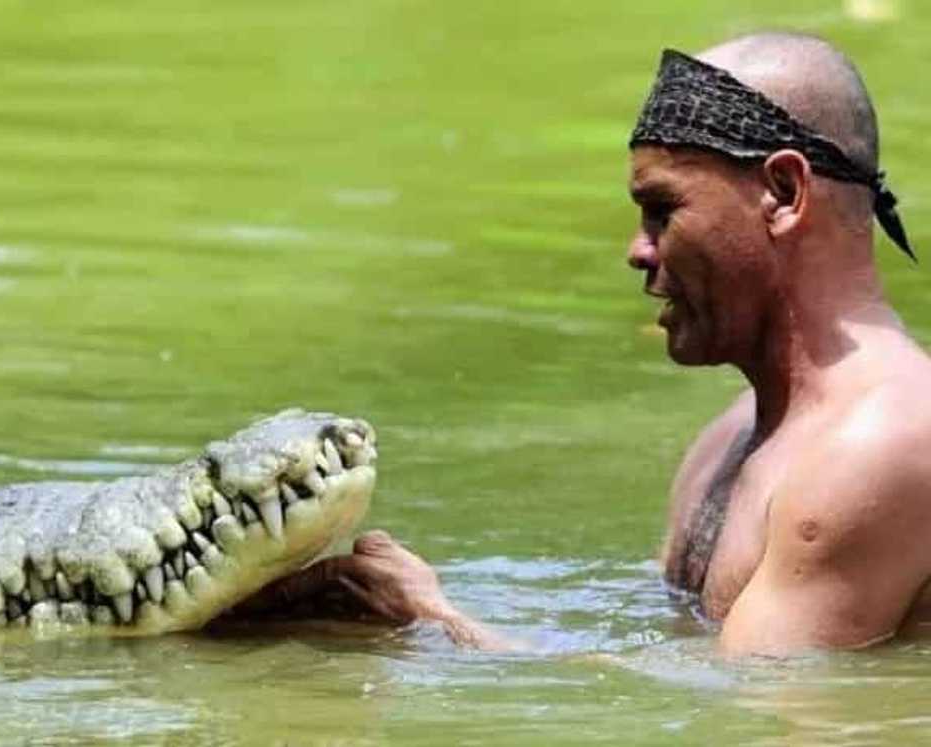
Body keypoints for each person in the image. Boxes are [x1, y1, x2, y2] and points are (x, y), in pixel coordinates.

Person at [243, 33, 931, 657]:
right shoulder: (728, 439)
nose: (637, 250)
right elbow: (660, 658)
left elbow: (739, 713)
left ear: (782, 192)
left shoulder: (879, 448)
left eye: (663, 210)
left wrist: (437, 620)